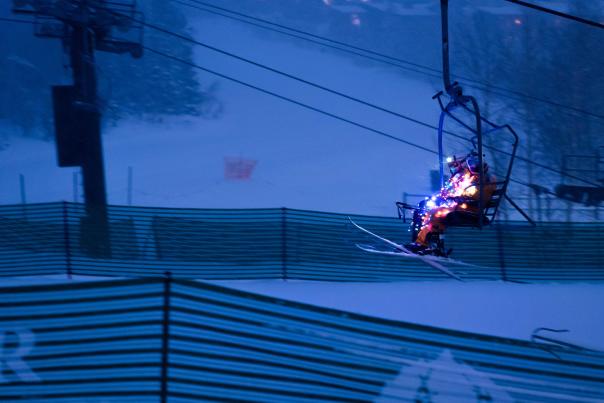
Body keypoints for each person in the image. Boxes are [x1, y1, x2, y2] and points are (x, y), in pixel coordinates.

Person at [405, 152, 496, 255]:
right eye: (470, 164)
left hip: (469, 209)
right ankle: (419, 242)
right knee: (423, 207)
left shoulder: (486, 180)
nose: (473, 167)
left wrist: (457, 198)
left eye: (475, 164)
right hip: (460, 206)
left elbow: (477, 196)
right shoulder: (468, 175)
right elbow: (455, 179)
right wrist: (445, 196)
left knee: (436, 212)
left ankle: (425, 244)